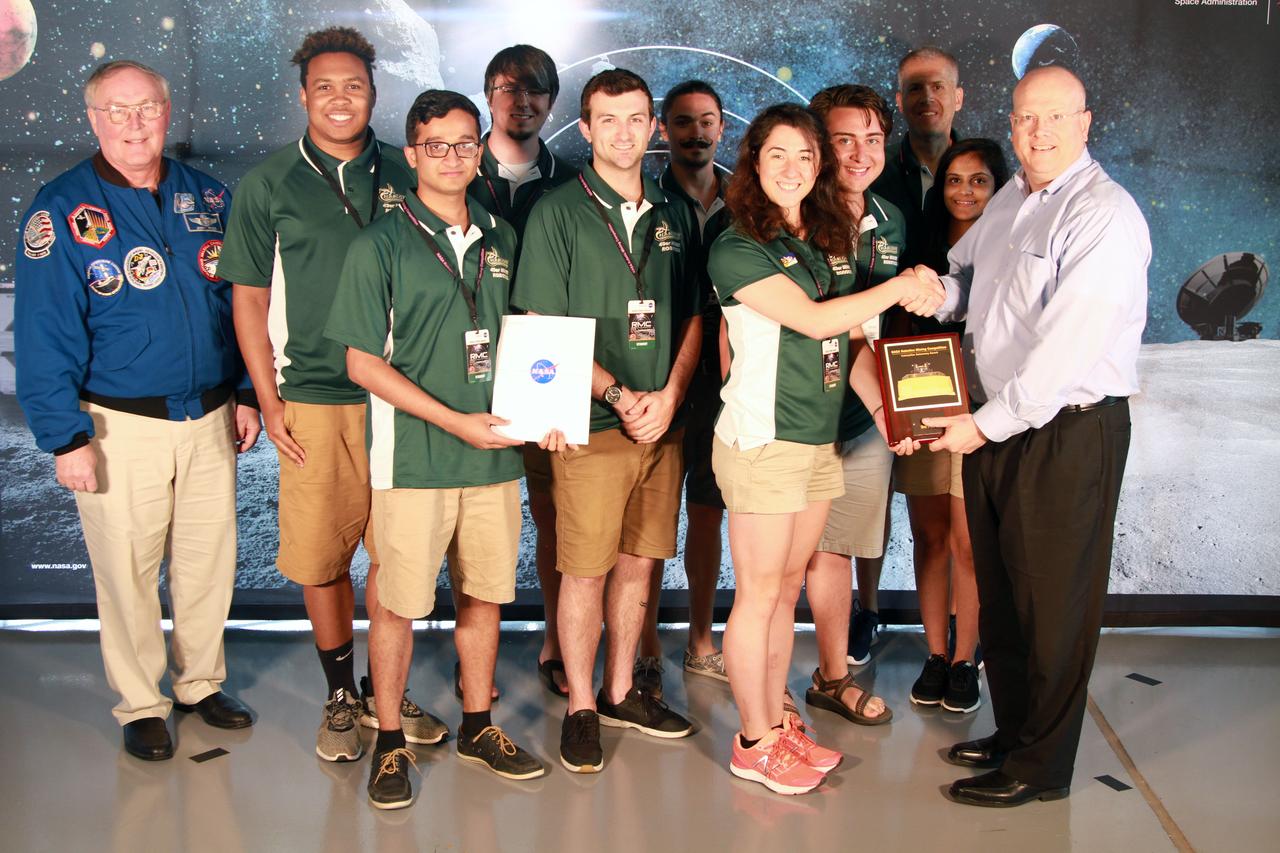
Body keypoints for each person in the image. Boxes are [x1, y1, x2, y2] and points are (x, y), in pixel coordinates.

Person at [14, 60, 257, 760]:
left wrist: (245, 392)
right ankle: (142, 702)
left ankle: (200, 682)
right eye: (117, 111)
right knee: (126, 571)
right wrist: (66, 438)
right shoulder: (61, 210)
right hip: (119, 424)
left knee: (207, 562)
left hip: (210, 416)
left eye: (146, 107)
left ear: (167, 111)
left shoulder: (208, 197)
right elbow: (44, 331)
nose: (134, 123)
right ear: (93, 119)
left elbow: (241, 305)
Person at [328, 89, 562, 809]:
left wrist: (548, 409)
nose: (453, 157)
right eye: (437, 145)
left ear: (479, 150)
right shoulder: (379, 243)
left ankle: (478, 726)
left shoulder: (501, 237)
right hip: (415, 460)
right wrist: (455, 422)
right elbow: (361, 363)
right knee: (397, 605)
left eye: (466, 143)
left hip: (493, 457)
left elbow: (527, 336)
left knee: (484, 595)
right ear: (412, 155)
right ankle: (390, 740)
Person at [925, 66, 1149, 806]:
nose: (1039, 131)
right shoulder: (1013, 197)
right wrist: (933, 292)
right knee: (1005, 598)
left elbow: (1063, 355)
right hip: (999, 426)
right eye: (1026, 117)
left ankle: (1042, 766)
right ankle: (1015, 732)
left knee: (1053, 607)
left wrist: (979, 426)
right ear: (1012, 123)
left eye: (1056, 116)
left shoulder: (1103, 215)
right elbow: (968, 283)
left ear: (1086, 123)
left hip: (1064, 432)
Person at [219, 27, 440, 763]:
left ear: (374, 93)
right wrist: (269, 399)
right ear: (303, 95)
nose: (339, 99)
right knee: (322, 555)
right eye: (324, 87)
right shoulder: (269, 183)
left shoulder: (409, 169)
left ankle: (387, 691)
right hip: (314, 395)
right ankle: (341, 693)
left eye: (354, 86)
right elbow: (249, 299)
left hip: (403, 395)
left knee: (396, 553)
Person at [707, 102, 943, 795]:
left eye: (805, 156)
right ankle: (754, 742)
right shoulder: (736, 244)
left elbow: (852, 341)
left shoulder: (822, 239)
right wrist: (901, 285)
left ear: (820, 165)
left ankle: (776, 724)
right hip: (763, 438)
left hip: (817, 439)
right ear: (754, 162)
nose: (792, 169)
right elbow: (813, 321)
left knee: (786, 591)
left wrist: (888, 414)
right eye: (776, 155)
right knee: (758, 595)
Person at [512, 69, 701, 773]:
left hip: (663, 424)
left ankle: (623, 691)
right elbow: (542, 321)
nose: (624, 132)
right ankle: (582, 706)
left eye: (636, 118)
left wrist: (670, 396)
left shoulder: (675, 212)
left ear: (654, 126)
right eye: (608, 119)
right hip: (592, 424)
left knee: (639, 564)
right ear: (586, 128)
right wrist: (622, 396)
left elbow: (696, 317)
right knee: (585, 570)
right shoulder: (557, 211)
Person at [466, 44, 576, 699]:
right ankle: (471, 659)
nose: (522, 100)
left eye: (535, 90)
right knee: (468, 518)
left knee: (554, 516)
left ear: (552, 102)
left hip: (542, 371)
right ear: (488, 95)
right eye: (508, 88)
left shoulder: (572, 182)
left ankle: (556, 642)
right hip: (463, 371)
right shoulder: (453, 167)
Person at [855, 44, 964, 668]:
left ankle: (956, 640)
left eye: (938, 86)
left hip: (963, 360)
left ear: (958, 97)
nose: (927, 98)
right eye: (914, 88)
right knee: (875, 496)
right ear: (900, 101)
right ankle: (868, 608)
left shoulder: (984, 169)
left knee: (953, 516)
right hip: (883, 352)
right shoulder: (876, 172)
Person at [800, 84, 904, 727]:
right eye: (844, 140)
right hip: (800, 414)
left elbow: (875, 332)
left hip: (864, 416)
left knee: (836, 548)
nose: (861, 154)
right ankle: (764, 701)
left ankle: (832, 676)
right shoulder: (792, 215)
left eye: (873, 139)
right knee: (788, 559)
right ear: (817, 145)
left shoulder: (891, 219)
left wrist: (893, 414)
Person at [898, 138, 1009, 714]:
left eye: (979, 180)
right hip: (924, 411)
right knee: (930, 537)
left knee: (969, 542)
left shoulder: (1009, 248)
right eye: (954, 180)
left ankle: (967, 658)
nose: (965, 191)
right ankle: (937, 654)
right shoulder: (920, 249)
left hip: (982, 416)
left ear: (999, 188)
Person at [634, 79, 733, 695]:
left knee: (707, 511)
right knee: (651, 515)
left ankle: (700, 641)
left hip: (727, 378)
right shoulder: (646, 199)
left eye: (707, 121)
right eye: (683, 122)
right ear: (663, 130)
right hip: (660, 375)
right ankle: (645, 643)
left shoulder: (746, 200)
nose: (696, 133)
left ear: (721, 127)